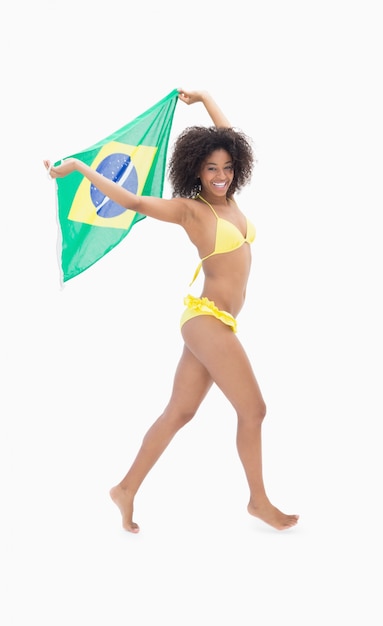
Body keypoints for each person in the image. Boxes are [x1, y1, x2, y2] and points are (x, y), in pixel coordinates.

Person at [44, 88, 299, 533]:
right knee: (254, 409)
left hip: (217, 322)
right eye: (210, 168)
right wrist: (82, 168)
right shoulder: (191, 211)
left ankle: (124, 489)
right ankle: (258, 501)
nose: (220, 175)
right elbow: (136, 203)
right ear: (195, 171)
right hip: (206, 322)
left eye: (226, 167)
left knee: (179, 412)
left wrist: (206, 98)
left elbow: (227, 134)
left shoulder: (232, 202)